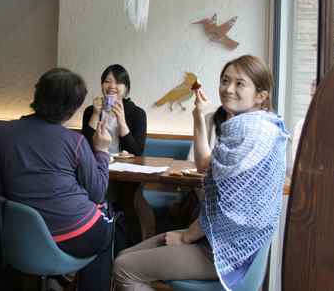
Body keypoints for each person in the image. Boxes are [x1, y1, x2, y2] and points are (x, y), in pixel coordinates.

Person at [113, 55, 289, 290]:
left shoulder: (251, 133)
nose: (228, 89)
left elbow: (227, 209)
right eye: (225, 80)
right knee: (124, 255)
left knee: (123, 267)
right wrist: (198, 116)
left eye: (239, 83)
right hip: (218, 237)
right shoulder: (255, 126)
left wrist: (186, 237)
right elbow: (204, 165)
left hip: (226, 251)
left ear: (261, 95)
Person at [0, 68, 114, 291]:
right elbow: (97, 193)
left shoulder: (1, 132)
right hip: (73, 234)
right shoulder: (75, 141)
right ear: (72, 108)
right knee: (111, 221)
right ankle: (74, 279)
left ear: (37, 94)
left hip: (21, 237)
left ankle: (61, 276)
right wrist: (102, 151)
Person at [82, 64, 147, 156]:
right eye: (107, 81)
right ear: (102, 85)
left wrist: (122, 122)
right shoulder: (90, 111)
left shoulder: (137, 114)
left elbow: (137, 152)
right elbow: (83, 147)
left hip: (123, 163)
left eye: (118, 82)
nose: (112, 86)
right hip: (97, 161)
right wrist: (95, 114)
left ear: (126, 88)